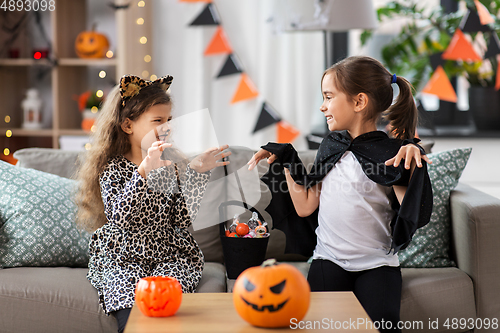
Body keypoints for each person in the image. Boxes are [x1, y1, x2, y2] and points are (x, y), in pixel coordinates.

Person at [247, 56, 433, 332]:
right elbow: (305, 207)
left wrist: (411, 163)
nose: (322, 106)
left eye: (328, 96)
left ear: (359, 102)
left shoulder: (392, 154)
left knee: (381, 327)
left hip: (377, 264)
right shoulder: (330, 145)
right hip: (328, 260)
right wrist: (288, 160)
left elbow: (413, 212)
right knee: (318, 327)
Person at [75, 75, 231, 333]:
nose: (167, 127)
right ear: (128, 125)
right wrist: (143, 173)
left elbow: (181, 219)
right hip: (124, 255)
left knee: (167, 303)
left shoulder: (171, 164)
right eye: (157, 121)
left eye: (169, 120)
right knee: (127, 300)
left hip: (168, 252)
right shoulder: (112, 168)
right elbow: (120, 219)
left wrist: (197, 174)